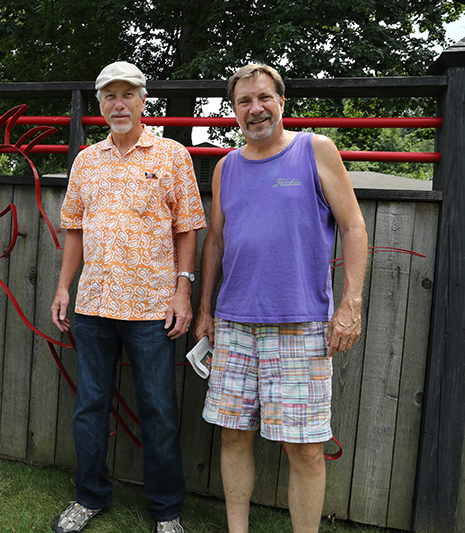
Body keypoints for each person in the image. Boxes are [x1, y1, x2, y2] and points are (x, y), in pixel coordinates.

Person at [192, 63, 368, 533]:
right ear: (233, 111)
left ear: (281, 101)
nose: (255, 109)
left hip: (302, 323)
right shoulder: (226, 167)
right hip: (233, 323)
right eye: (244, 102)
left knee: (306, 448)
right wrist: (205, 309)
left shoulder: (315, 150)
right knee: (233, 436)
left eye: (264, 98)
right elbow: (214, 240)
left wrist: (350, 306)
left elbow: (353, 226)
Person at [50, 61, 206, 533]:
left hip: (151, 308)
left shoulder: (172, 155)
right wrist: (62, 286)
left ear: (143, 100)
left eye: (127, 95)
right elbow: (74, 230)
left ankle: (166, 511)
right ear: (100, 105)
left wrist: (183, 292)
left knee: (159, 409)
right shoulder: (86, 161)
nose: (119, 104)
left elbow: (187, 230)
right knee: (90, 406)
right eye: (110, 96)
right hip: (94, 303)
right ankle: (90, 496)